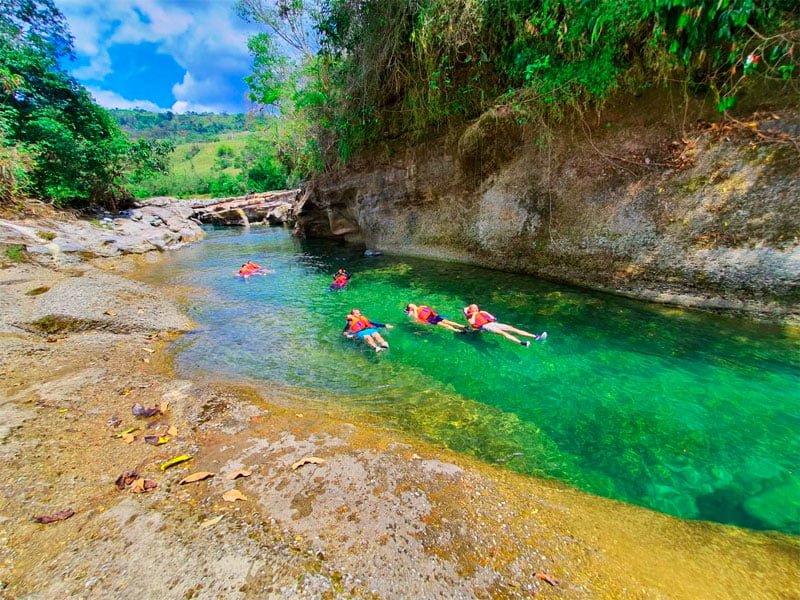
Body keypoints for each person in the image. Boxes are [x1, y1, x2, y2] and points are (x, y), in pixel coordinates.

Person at [463, 304, 546, 347]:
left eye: (477, 308)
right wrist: (474, 314)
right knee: (503, 333)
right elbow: (471, 323)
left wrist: (485, 313)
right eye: (474, 308)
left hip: (492, 324)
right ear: (470, 310)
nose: (476, 309)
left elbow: (493, 318)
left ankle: (536, 337)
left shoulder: (482, 312)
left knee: (513, 329)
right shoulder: (470, 315)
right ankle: (522, 343)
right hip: (485, 326)